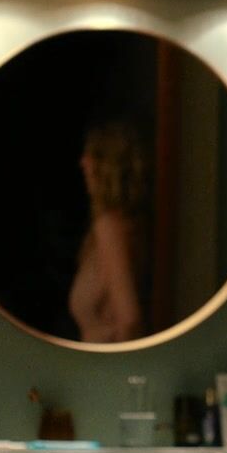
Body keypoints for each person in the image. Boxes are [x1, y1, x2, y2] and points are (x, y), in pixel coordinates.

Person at [68, 121, 152, 342]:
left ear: (109, 166)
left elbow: (130, 318)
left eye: (94, 155)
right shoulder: (121, 224)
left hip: (105, 360)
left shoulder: (110, 226)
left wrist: (119, 359)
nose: (83, 162)